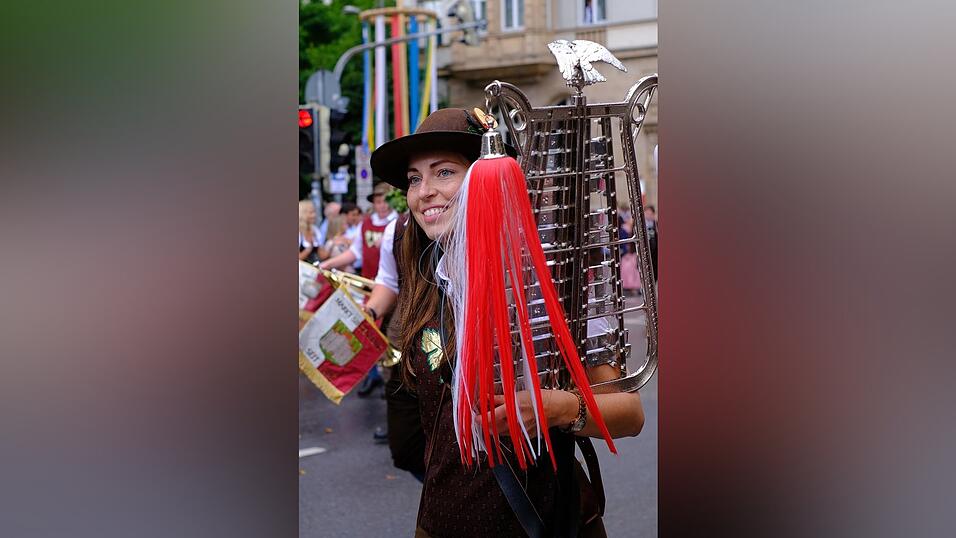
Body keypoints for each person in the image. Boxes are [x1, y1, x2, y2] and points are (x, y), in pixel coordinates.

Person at [370, 108, 645, 536]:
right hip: (440, 524)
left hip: (542, 523)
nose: (424, 192)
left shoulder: (553, 281)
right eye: (414, 178)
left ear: (491, 177)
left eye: (444, 172)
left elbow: (629, 413)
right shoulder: (427, 279)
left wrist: (558, 408)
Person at [298, 199, 322, 263]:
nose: (314, 215)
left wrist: (332, 244)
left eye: (314, 212)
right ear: (302, 214)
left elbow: (322, 255)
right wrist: (308, 250)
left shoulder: (315, 230)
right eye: (311, 213)